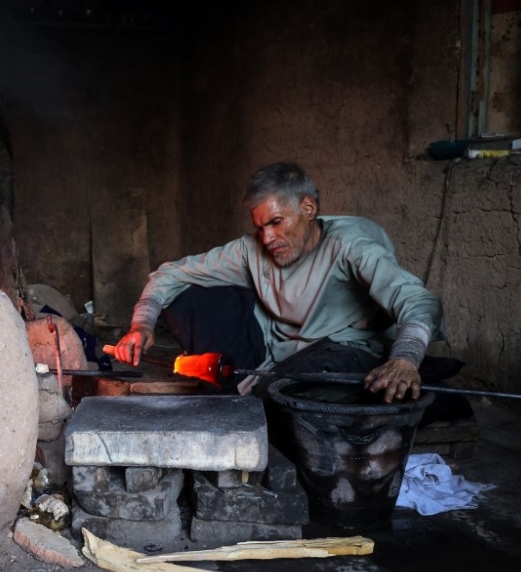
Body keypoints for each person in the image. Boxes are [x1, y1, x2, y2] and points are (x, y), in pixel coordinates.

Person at [112, 161, 446, 403]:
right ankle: (246, 384)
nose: (268, 237)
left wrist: (405, 358)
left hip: (335, 349)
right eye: (260, 227)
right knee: (188, 299)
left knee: (320, 377)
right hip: (269, 347)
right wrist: (142, 325)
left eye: (276, 222)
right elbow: (169, 274)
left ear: (308, 207)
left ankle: (258, 390)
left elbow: (416, 300)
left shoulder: (351, 245)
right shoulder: (251, 249)